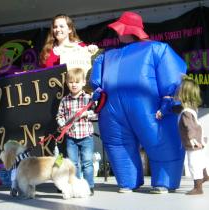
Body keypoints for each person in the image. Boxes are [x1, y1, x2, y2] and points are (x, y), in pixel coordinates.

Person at [90, 11, 187, 193]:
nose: (118, 33)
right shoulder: (109, 55)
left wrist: (168, 101)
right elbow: (97, 80)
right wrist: (97, 89)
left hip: (141, 107)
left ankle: (161, 182)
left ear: (128, 31)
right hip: (117, 110)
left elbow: (173, 78)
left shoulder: (156, 49)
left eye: (120, 29)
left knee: (159, 138)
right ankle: (130, 181)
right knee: (122, 143)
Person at [56, 68, 97, 196]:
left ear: (83, 82)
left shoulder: (88, 98)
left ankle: (89, 186)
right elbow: (59, 116)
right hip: (71, 137)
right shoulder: (65, 100)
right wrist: (63, 125)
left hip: (86, 136)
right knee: (73, 163)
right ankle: (77, 185)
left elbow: (96, 114)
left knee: (87, 162)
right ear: (67, 83)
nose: (73, 85)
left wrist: (86, 113)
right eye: (71, 82)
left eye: (77, 82)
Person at [172, 75, 208, 195]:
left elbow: (190, 127)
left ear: (184, 95)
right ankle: (205, 175)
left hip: (193, 143)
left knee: (193, 164)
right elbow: (179, 109)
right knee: (200, 160)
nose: (176, 94)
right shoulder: (191, 107)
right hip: (199, 141)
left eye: (178, 92)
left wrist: (192, 139)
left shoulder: (186, 113)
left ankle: (198, 187)